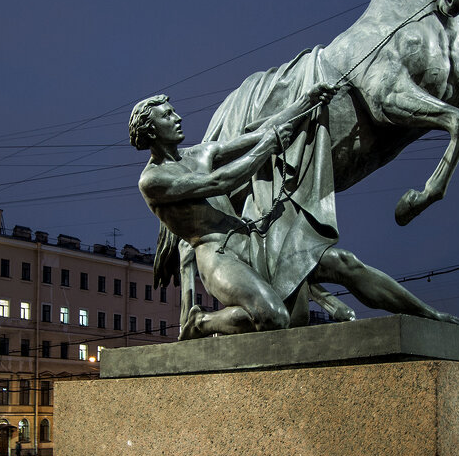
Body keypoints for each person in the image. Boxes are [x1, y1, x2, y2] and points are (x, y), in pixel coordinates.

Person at [132, 85, 334, 337]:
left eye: (174, 112)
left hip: (250, 242)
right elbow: (219, 182)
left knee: (313, 290)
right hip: (217, 255)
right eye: (167, 115)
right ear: (151, 130)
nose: (178, 118)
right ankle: (200, 321)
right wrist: (266, 147)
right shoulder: (152, 180)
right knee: (273, 317)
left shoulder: (201, 152)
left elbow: (260, 133)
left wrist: (306, 101)